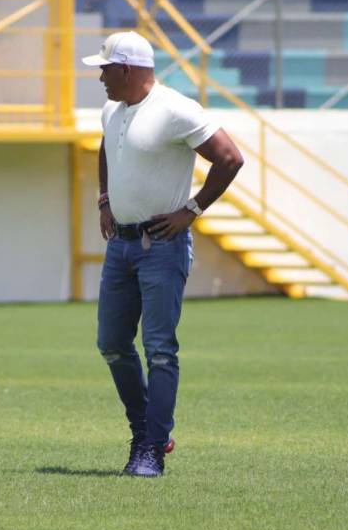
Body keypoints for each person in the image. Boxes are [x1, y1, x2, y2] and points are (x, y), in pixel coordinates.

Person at [82, 31, 244, 477]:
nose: (99, 78)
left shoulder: (175, 109)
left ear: (128, 70)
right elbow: (106, 146)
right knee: (112, 343)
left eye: (104, 68)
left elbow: (229, 157)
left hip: (162, 247)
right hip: (121, 245)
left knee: (159, 350)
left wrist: (191, 211)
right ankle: (146, 431)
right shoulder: (113, 109)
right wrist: (104, 200)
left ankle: (150, 447)